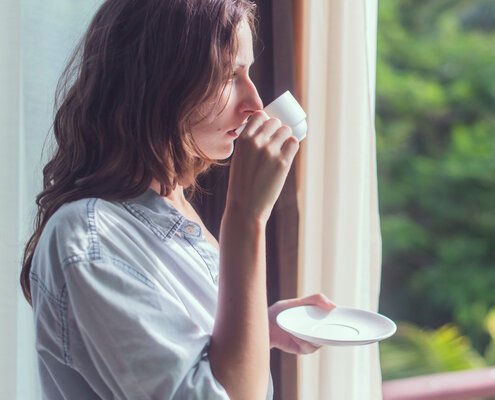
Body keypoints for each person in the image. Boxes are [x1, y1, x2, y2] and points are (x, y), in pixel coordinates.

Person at [20, 0, 335, 398]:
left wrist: (260, 328)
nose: (254, 103)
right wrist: (246, 218)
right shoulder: (89, 237)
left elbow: (197, 363)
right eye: (228, 75)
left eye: (248, 72)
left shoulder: (174, 209)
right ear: (159, 81)